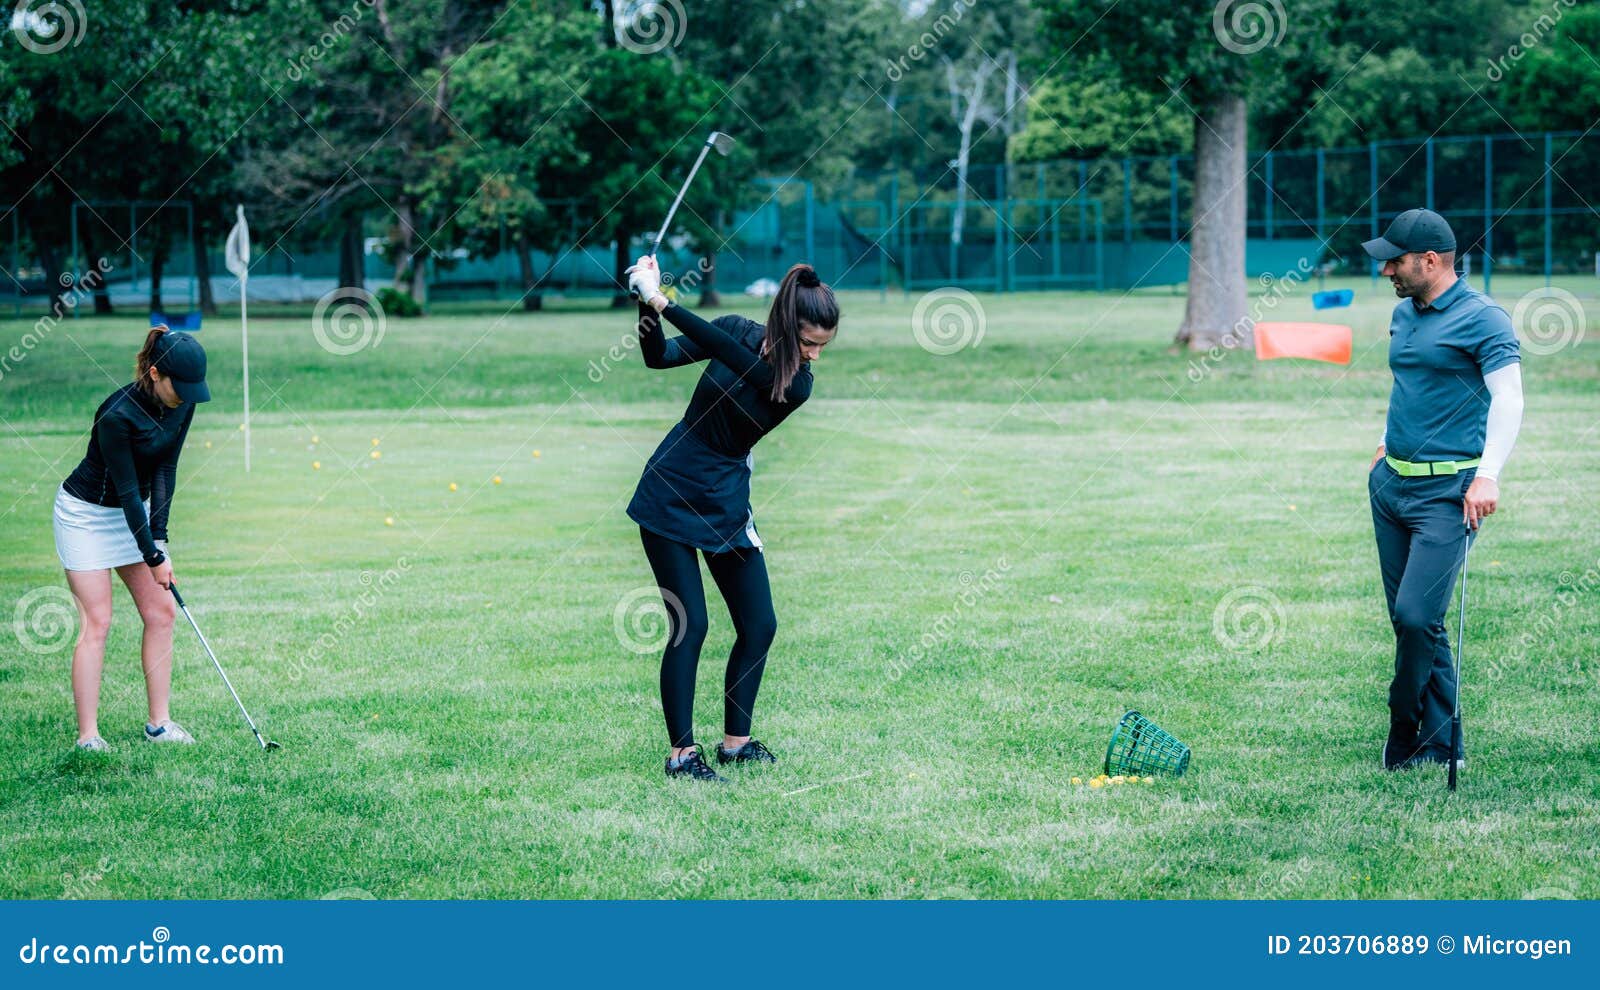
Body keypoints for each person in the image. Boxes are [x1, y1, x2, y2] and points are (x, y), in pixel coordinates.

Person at [624, 257, 838, 782]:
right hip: (670, 489)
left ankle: (735, 744)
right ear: (788, 325)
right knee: (689, 625)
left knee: (759, 624)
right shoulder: (737, 329)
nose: (814, 355)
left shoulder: (795, 383)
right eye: (809, 342)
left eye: (822, 347)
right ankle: (681, 755)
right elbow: (660, 357)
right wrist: (642, 302)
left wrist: (661, 298)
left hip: (724, 498)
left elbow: (737, 361)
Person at [1363, 209, 1523, 771]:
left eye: (1396, 260)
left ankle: (1403, 729)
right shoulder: (1403, 314)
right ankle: (1441, 740)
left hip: (1448, 493)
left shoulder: (1485, 319)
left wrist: (1488, 474)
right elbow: (1411, 380)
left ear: (1430, 261)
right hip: (1391, 486)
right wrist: (1387, 439)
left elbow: (1508, 398)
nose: (1387, 270)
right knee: (1418, 620)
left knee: (1414, 617)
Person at [55, 326, 211, 752]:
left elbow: (165, 469)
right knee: (98, 621)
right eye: (181, 386)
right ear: (156, 373)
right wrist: (150, 553)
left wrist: (158, 541)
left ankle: (158, 724)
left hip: (134, 514)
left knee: (162, 613)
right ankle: (88, 736)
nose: (188, 395)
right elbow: (125, 490)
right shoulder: (117, 415)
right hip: (85, 515)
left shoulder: (182, 401)